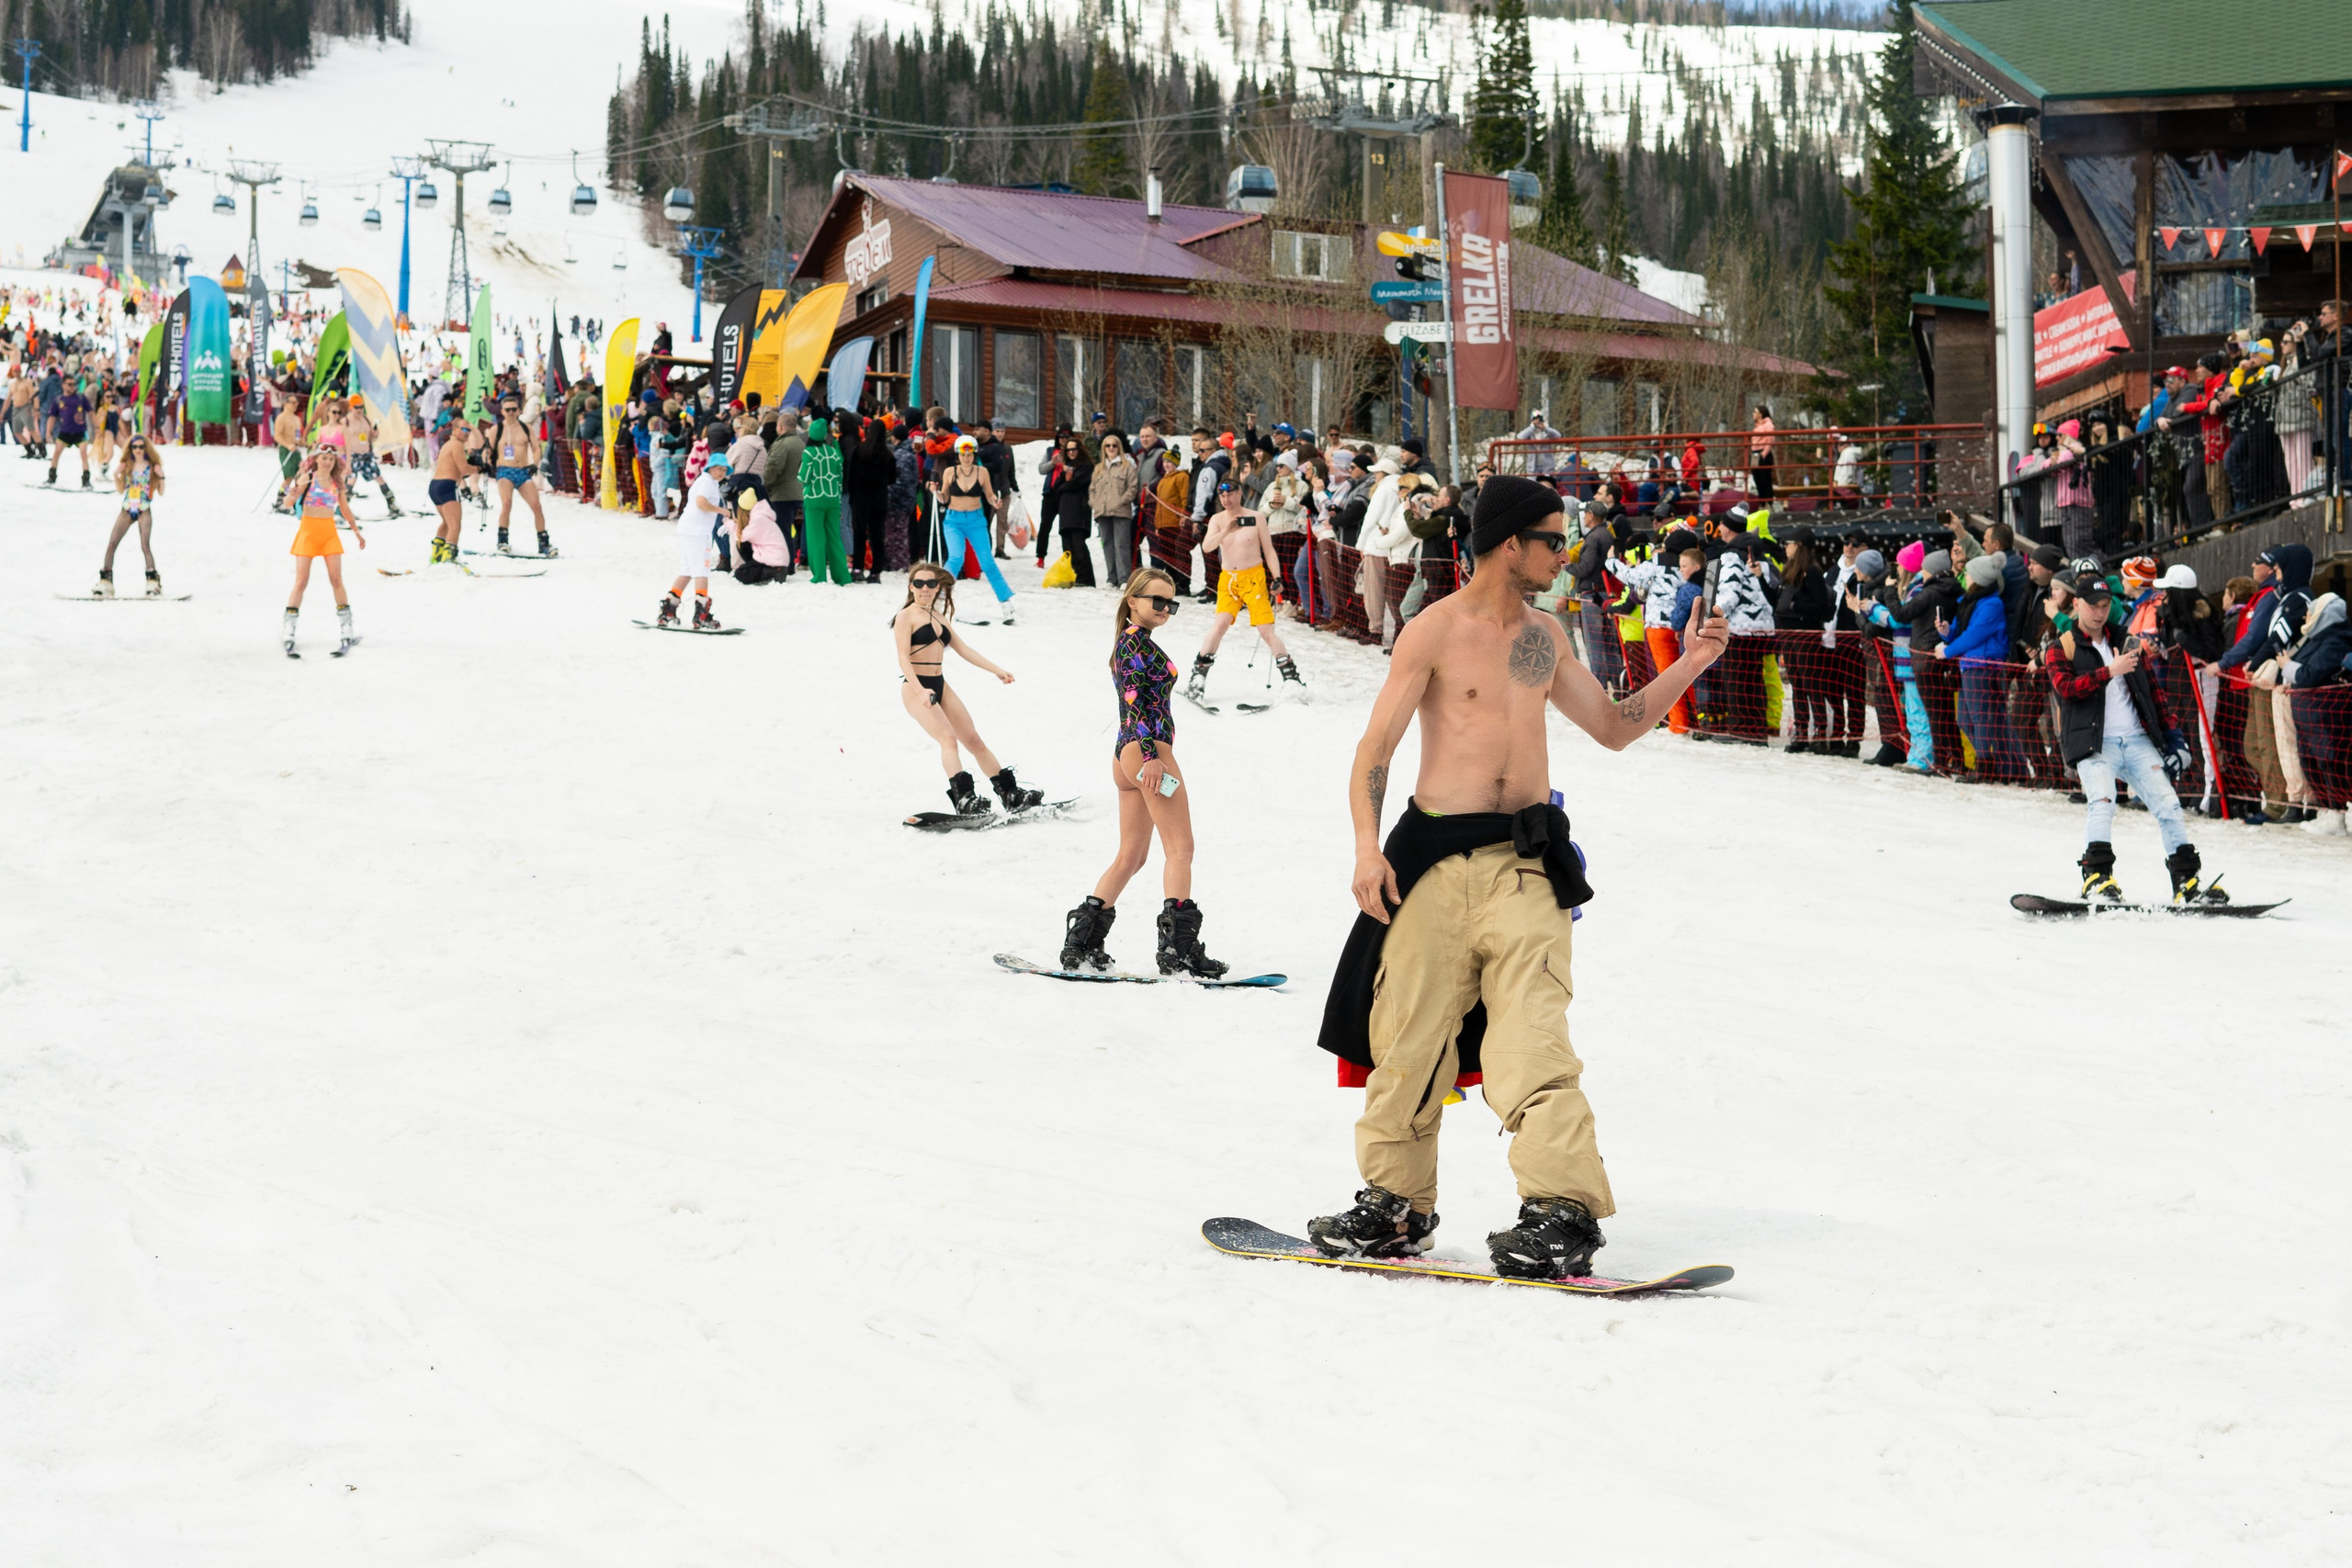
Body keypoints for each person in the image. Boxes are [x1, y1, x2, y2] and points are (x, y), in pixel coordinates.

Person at [1306, 475, 1729, 1278]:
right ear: (1510, 544)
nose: (1561, 553)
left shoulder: (1543, 638)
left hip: (1526, 864)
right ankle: (1394, 1204)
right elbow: (1375, 752)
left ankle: (1560, 1211)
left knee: (1534, 1036)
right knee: (1409, 1040)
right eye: (1551, 539)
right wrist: (1368, 850)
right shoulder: (1432, 632)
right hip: (1429, 861)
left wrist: (1697, 662)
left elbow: (1612, 726)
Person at [1059, 567, 1227, 979]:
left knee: (1131, 856)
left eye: (1171, 603)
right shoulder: (1134, 644)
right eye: (1157, 600)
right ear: (1132, 600)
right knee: (1181, 849)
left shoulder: (1133, 642)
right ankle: (1179, 952)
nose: (1165, 608)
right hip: (1147, 753)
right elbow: (1135, 703)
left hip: (1128, 755)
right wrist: (1152, 756)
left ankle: (1081, 943)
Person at [2042, 575, 2213, 903]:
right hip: (2096, 741)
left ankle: (2187, 881)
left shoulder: (2127, 641)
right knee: (2103, 801)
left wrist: (2174, 739)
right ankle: (2097, 878)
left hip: (2136, 739)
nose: (2099, 612)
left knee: (2169, 805)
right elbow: (2065, 689)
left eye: (2105, 606)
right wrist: (2109, 671)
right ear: (2076, 604)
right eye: (2093, 606)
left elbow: (2154, 696)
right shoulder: (2061, 646)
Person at [891, 562, 1043, 818]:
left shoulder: (939, 617)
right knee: (948, 739)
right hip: (916, 687)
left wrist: (997, 669)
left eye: (930, 584)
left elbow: (965, 650)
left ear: (937, 586)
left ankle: (1010, 794)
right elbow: (903, 659)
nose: (924, 589)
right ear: (911, 586)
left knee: (973, 740)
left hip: (940, 684)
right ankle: (964, 800)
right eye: (919, 584)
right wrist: (919, 690)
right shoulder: (906, 616)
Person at [1182, 478, 1307, 703]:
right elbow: (1208, 547)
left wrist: (1277, 577)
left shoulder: (1256, 517)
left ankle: (1292, 679)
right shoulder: (1218, 519)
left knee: (1265, 630)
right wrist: (1227, 530)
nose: (1226, 499)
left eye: (1230, 494)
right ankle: (1197, 677)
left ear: (1239, 494)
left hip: (1254, 579)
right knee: (1219, 625)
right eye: (1222, 496)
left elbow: (1268, 550)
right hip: (1228, 580)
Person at [283, 444, 366, 657]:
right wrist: (291, 495)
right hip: (308, 532)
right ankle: (289, 629)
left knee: (336, 579)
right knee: (301, 581)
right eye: (324, 458)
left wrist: (356, 530)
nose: (327, 462)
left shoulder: (337, 483)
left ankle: (347, 628)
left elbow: (345, 508)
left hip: (329, 533)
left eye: (331, 459)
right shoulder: (307, 478)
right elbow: (288, 502)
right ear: (316, 459)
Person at [933, 434, 1016, 620]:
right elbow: (944, 498)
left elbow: (989, 494)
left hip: (976, 520)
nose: (966, 458)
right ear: (958, 455)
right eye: (963, 454)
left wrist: (995, 501)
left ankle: (1005, 601)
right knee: (955, 558)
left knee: (987, 562)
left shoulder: (982, 472)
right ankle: (939, 598)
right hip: (953, 520)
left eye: (970, 454)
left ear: (974, 454)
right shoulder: (949, 472)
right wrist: (936, 493)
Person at [657, 448, 732, 631]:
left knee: (687, 570)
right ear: (711, 468)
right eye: (719, 469)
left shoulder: (706, 481)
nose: (722, 473)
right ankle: (702, 615)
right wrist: (722, 511)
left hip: (688, 529)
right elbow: (701, 503)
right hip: (697, 532)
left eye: (725, 470)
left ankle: (668, 610)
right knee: (701, 571)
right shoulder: (707, 483)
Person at [93, 433, 165, 597]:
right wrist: (117, 474)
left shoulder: (152, 465)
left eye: (141, 447)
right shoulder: (128, 466)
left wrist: (161, 476)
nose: (138, 450)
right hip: (127, 507)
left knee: (145, 545)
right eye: (135, 447)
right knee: (112, 543)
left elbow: (160, 491)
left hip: (144, 507)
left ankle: (153, 580)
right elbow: (120, 490)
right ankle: (105, 581)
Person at [486, 393, 552, 556]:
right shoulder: (497, 429)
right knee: (507, 503)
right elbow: (488, 450)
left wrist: (534, 464)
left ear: (518, 410)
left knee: (536, 506)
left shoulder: (525, 428)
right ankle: (502, 540)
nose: (510, 413)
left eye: (513, 409)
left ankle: (544, 543)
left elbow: (536, 448)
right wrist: (488, 466)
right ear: (502, 411)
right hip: (504, 470)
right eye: (507, 410)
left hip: (523, 471)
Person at [425, 419, 487, 564]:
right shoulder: (457, 444)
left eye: (468, 430)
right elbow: (463, 468)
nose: (466, 433)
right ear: (454, 431)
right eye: (463, 430)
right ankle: (450, 557)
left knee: (447, 522)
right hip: (447, 486)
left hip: (435, 486)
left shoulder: (448, 445)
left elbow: (457, 468)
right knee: (455, 525)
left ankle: (437, 554)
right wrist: (480, 468)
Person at [799, 415, 850, 586]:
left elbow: (804, 476)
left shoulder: (809, 452)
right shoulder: (834, 453)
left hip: (814, 499)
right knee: (834, 537)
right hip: (833, 499)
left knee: (816, 538)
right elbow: (840, 478)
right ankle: (842, 576)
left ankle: (819, 575)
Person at [1045, 433, 1098, 587]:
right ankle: (1073, 576)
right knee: (1067, 547)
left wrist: (1066, 481)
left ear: (1080, 450)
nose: (1071, 452)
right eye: (1068, 450)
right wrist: (1065, 475)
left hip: (1079, 512)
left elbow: (1073, 484)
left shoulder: (1086, 467)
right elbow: (1055, 487)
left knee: (1079, 547)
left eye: (1074, 449)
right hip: (1066, 513)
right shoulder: (1068, 469)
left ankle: (1086, 579)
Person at [338, 398, 404, 518]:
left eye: (361, 407)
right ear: (351, 408)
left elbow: (372, 438)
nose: (359, 410)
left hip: (366, 455)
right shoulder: (345, 421)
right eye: (356, 407)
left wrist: (375, 434)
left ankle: (392, 504)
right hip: (353, 455)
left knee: (379, 478)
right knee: (351, 480)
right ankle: (342, 509)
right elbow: (340, 439)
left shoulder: (366, 419)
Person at [1091, 431, 1140, 582]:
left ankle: (1124, 579)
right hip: (1102, 512)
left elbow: (1132, 488)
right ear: (1104, 448)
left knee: (1122, 545)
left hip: (1121, 512)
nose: (1111, 448)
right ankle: (1111, 578)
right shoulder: (1099, 468)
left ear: (1119, 447)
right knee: (1107, 545)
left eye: (1114, 446)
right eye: (1107, 446)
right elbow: (1092, 489)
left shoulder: (1127, 467)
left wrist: (1121, 501)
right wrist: (1094, 503)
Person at [45, 372, 91, 489]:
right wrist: (48, 432)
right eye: (70, 384)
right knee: (56, 454)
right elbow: (52, 417)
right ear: (63, 385)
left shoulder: (81, 398)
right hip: (65, 431)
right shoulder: (58, 400)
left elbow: (91, 412)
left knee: (84, 454)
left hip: (80, 431)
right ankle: (51, 477)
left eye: (74, 384)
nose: (72, 387)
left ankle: (86, 480)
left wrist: (96, 428)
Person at [1747, 404, 1777, 499]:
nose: (1753, 414)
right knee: (1757, 479)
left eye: (1755, 412)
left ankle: (1768, 501)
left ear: (1760, 414)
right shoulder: (1757, 426)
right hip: (1754, 452)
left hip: (1763, 453)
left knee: (1765, 479)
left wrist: (1763, 455)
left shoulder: (1768, 425)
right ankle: (1762, 502)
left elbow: (1770, 441)